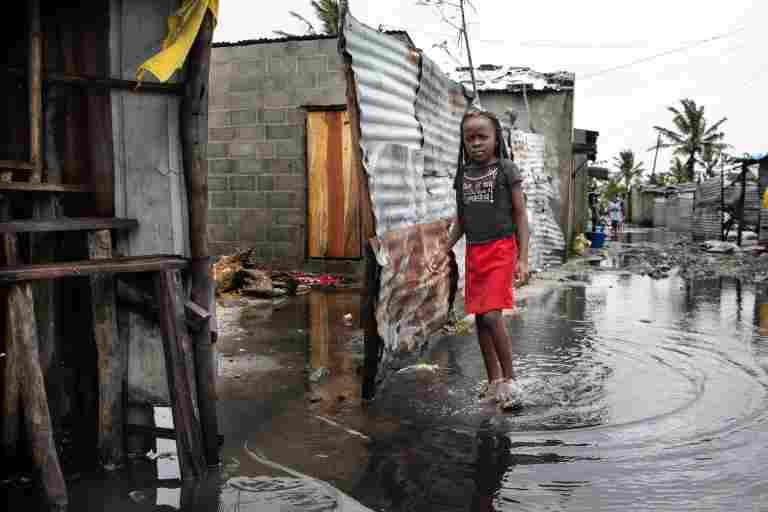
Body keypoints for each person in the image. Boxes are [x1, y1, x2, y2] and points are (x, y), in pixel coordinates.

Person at [447, 110, 530, 409]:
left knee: (493, 315)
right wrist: (444, 247)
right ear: (463, 142)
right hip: (475, 252)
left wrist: (523, 257)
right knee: (480, 319)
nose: (477, 143)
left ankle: (510, 380)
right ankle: (493, 381)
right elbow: (462, 219)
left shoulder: (507, 169)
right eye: (470, 138)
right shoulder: (463, 174)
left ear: (496, 139)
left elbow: (520, 214)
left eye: (483, 137)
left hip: (501, 249)